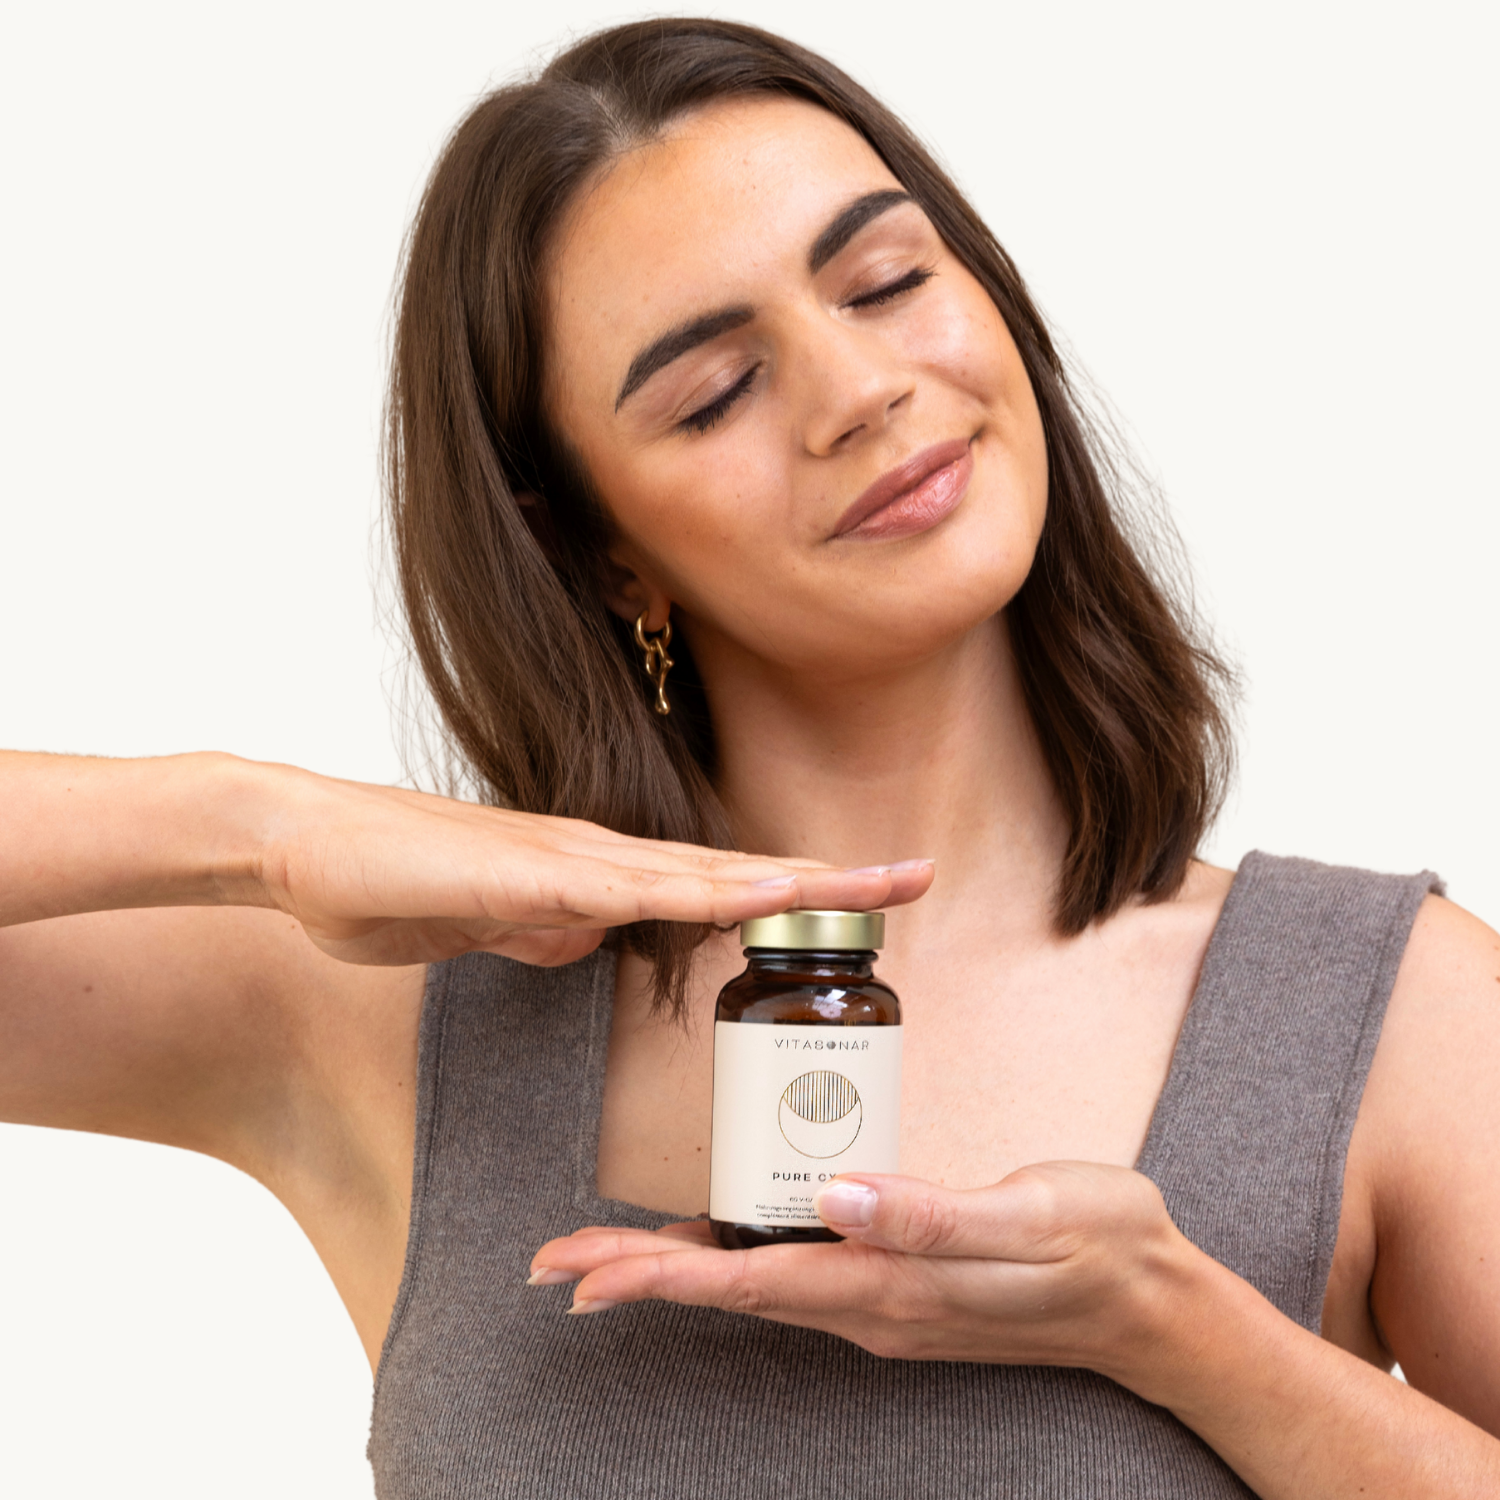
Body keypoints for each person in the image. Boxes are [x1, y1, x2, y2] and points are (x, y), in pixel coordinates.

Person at [3, 16, 1497, 1498]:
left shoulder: (1390, 1013)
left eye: (888, 282)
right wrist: (253, 823)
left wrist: (1177, 1332)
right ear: (601, 553)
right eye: (715, 391)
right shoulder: (389, 1012)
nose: (860, 391)